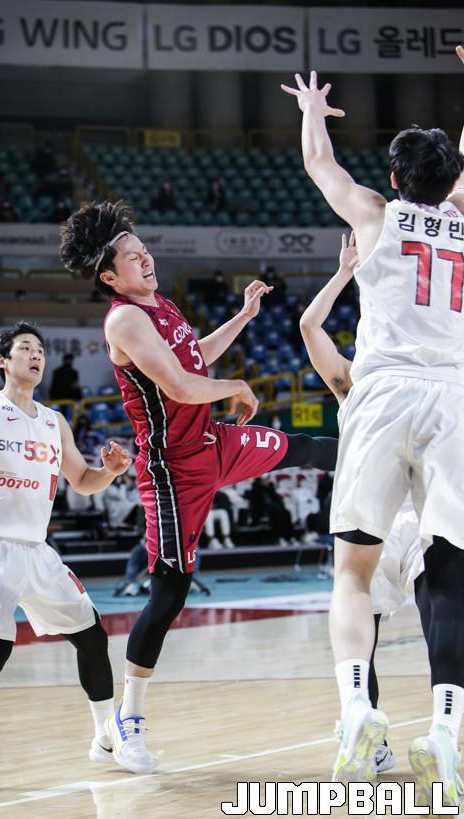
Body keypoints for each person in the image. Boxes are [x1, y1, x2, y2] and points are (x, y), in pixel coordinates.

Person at [59, 198, 338, 775]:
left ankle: (400, 465)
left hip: (214, 443)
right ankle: (126, 721)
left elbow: (195, 359)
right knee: (170, 593)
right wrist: (236, 385)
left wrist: (243, 318)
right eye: (132, 257)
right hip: (172, 470)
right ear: (109, 276)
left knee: (304, 448)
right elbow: (182, 387)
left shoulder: (160, 304)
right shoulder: (124, 320)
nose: (146, 259)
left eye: (144, 250)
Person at [282, 47, 464, 802]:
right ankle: (447, 731)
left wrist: (311, 114)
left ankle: (358, 707)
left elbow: (319, 164)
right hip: (454, 397)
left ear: (394, 176)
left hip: (383, 391)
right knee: (449, 573)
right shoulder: (463, 216)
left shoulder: (375, 214)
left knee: (354, 570)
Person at [0, 321, 132, 796]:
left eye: (40, 349)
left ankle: (105, 739)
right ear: (2, 360)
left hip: (36, 550)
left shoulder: (54, 421)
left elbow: (83, 481)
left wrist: (110, 472)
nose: (36, 355)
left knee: (91, 634)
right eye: (25, 348)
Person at [299, 232, 427, 774]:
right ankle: (437, 730)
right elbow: (310, 328)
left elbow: (309, 326)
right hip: (415, 518)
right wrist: (346, 272)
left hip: (375, 521)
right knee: (444, 619)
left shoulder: (354, 386)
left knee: (360, 636)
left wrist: (344, 273)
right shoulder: (366, 381)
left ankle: (367, 734)